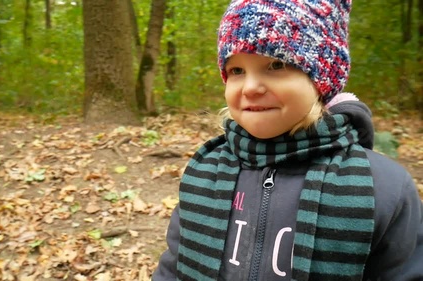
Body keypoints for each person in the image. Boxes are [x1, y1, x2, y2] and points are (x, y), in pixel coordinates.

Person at [152, 0, 423, 280]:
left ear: (321, 79)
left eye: (275, 64)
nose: (250, 87)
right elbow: (174, 268)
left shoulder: (382, 186)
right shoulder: (206, 171)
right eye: (237, 71)